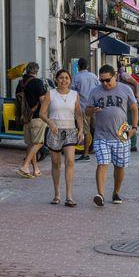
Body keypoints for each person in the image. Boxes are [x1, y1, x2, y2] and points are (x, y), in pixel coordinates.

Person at [86, 65, 138, 206]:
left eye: (107, 80)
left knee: (119, 166)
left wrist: (134, 128)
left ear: (114, 76)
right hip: (101, 135)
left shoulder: (126, 89)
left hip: (121, 135)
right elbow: (87, 111)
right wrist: (92, 110)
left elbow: (134, 108)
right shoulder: (95, 91)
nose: (104, 83)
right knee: (102, 163)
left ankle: (116, 192)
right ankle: (100, 194)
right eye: (101, 81)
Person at [40, 69, 85, 207]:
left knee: (70, 162)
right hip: (55, 131)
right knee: (56, 163)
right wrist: (50, 122)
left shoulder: (74, 95)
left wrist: (81, 129)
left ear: (70, 80)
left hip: (70, 130)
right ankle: (57, 194)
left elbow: (78, 114)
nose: (64, 80)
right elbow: (42, 113)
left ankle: (69, 196)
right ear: (56, 79)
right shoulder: (50, 94)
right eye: (61, 78)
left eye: (66, 78)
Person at [17, 62, 48, 178]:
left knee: (31, 145)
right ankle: (25, 166)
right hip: (37, 118)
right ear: (36, 71)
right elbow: (43, 101)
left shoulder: (20, 83)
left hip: (25, 118)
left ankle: (35, 169)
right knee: (39, 142)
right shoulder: (37, 82)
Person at [71, 58, 100, 162]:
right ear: (87, 66)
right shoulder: (93, 76)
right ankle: (98, 149)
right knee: (95, 128)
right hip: (95, 107)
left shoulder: (76, 77)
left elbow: (73, 91)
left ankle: (86, 153)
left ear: (78, 67)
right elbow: (99, 89)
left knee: (86, 131)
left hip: (83, 107)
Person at [118, 66, 139, 151]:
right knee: (128, 124)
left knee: (128, 124)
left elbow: (136, 83)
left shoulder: (123, 75)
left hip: (129, 102)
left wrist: (136, 95)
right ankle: (129, 143)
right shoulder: (121, 77)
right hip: (128, 101)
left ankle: (131, 144)